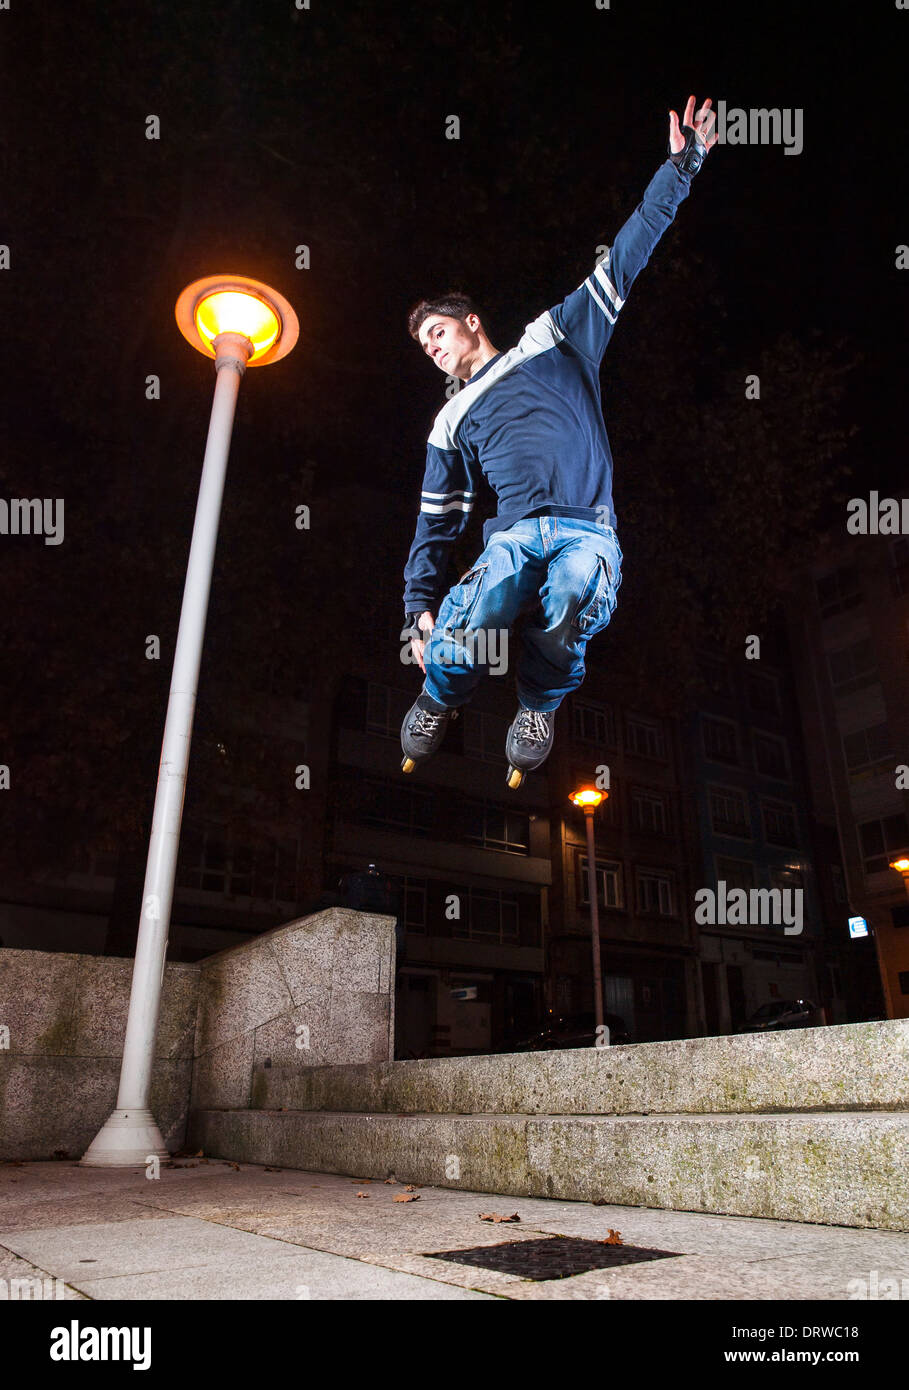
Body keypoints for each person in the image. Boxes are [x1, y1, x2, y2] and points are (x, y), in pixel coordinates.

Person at [401, 95, 717, 785]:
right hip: (513, 532)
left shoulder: (556, 337)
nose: (432, 349)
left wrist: (682, 166)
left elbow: (628, 254)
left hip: (585, 530)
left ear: (471, 323)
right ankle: (440, 692)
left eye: (438, 333)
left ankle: (537, 706)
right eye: (423, 346)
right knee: (485, 600)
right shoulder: (447, 423)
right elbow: (436, 524)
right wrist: (414, 613)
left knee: (573, 592)